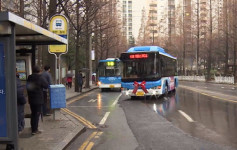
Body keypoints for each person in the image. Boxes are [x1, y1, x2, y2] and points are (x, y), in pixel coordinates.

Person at [26, 66, 48, 135]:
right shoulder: (40, 78)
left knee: (33, 114)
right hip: (38, 99)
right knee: (37, 114)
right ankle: (35, 130)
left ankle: (33, 128)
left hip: (31, 98)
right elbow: (46, 85)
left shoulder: (29, 77)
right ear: (39, 71)